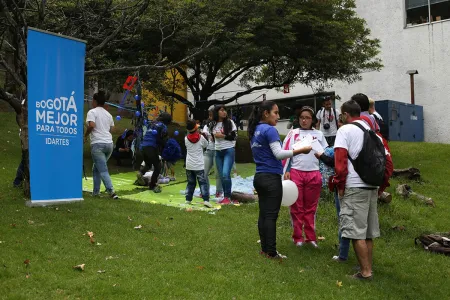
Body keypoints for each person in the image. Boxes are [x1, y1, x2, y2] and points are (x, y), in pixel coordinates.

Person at [329, 99, 391, 280]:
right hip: (372, 186)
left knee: (356, 232)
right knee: (368, 233)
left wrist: (340, 185)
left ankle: (365, 273)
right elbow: (387, 164)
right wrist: (380, 187)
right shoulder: (374, 133)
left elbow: (339, 163)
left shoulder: (344, 130)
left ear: (346, 114)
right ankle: (368, 267)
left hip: (355, 186)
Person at [248, 100, 312, 259]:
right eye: (275, 113)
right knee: (270, 216)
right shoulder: (270, 130)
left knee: (263, 215)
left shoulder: (255, 129)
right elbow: (278, 154)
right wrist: (300, 150)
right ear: (266, 113)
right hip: (270, 178)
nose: (278, 116)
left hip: (259, 177)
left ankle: (265, 249)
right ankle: (271, 252)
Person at [282, 107, 328, 248]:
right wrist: (287, 170)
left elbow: (325, 154)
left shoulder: (319, 134)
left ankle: (311, 237)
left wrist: (323, 174)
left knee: (311, 207)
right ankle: (297, 238)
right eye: (302, 117)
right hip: (296, 172)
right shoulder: (293, 133)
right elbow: (286, 152)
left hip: (314, 173)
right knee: (296, 207)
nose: (304, 120)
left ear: (312, 119)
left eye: (307, 117)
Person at [84, 90, 118, 199]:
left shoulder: (92, 112)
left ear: (94, 101)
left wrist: (85, 135)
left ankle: (111, 191)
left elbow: (92, 125)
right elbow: (112, 129)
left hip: (98, 144)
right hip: (109, 144)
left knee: (102, 169)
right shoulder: (108, 114)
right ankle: (96, 192)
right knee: (96, 168)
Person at [136, 112, 172, 193]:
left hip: (143, 146)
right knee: (158, 166)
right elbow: (162, 139)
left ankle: (140, 172)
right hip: (151, 147)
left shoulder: (152, 123)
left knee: (148, 164)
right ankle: (152, 184)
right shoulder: (163, 126)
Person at [209, 105, 237, 205]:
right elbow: (212, 137)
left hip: (228, 150)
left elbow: (234, 137)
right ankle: (225, 196)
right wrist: (214, 137)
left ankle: (227, 197)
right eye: (221, 110)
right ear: (217, 112)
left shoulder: (230, 122)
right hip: (218, 151)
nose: (224, 112)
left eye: (225, 110)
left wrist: (223, 136)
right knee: (221, 176)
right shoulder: (212, 124)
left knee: (226, 174)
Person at [184, 119, 212, 208]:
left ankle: (188, 199)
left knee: (191, 183)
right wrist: (203, 136)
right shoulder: (201, 138)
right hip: (199, 165)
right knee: (202, 183)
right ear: (196, 129)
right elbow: (206, 145)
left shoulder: (186, 139)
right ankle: (206, 200)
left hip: (189, 165)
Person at [202, 106, 223, 198]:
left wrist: (216, 136)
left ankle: (219, 191)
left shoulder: (222, 124)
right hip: (208, 150)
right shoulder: (207, 125)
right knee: (203, 172)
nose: (209, 117)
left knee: (218, 173)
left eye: (211, 115)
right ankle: (205, 191)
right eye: (209, 115)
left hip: (217, 151)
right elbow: (205, 138)